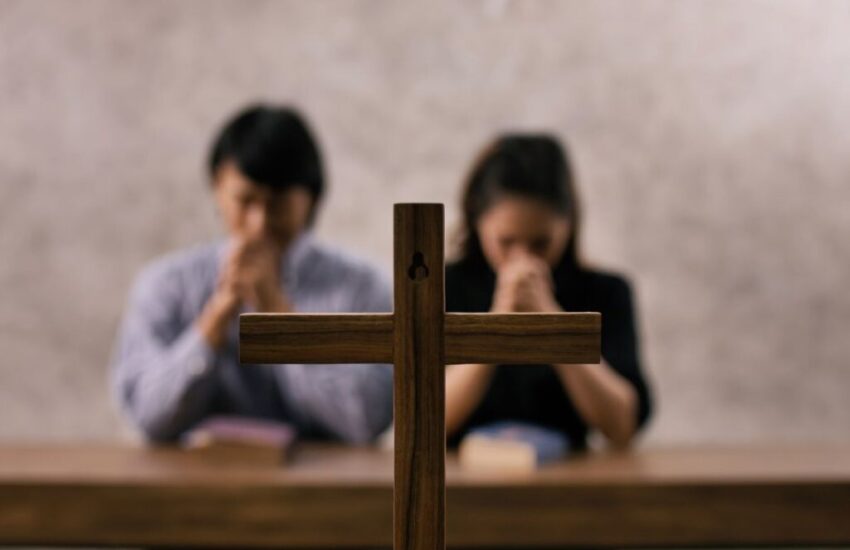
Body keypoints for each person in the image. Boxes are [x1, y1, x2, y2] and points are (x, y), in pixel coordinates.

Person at [111, 104, 392, 444]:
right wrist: (215, 319)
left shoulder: (362, 287)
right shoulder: (166, 283)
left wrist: (281, 318)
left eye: (278, 205)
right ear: (217, 187)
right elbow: (147, 416)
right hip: (193, 489)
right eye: (245, 201)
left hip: (323, 492)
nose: (259, 224)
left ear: (312, 199)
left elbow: (368, 419)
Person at [445, 134, 652, 449]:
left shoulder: (605, 292)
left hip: (570, 486)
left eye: (541, 243)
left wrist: (553, 321)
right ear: (477, 222)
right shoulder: (445, 287)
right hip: (459, 486)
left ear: (567, 226)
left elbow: (622, 426)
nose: (523, 258)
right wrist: (498, 320)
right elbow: (426, 419)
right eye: (506, 242)